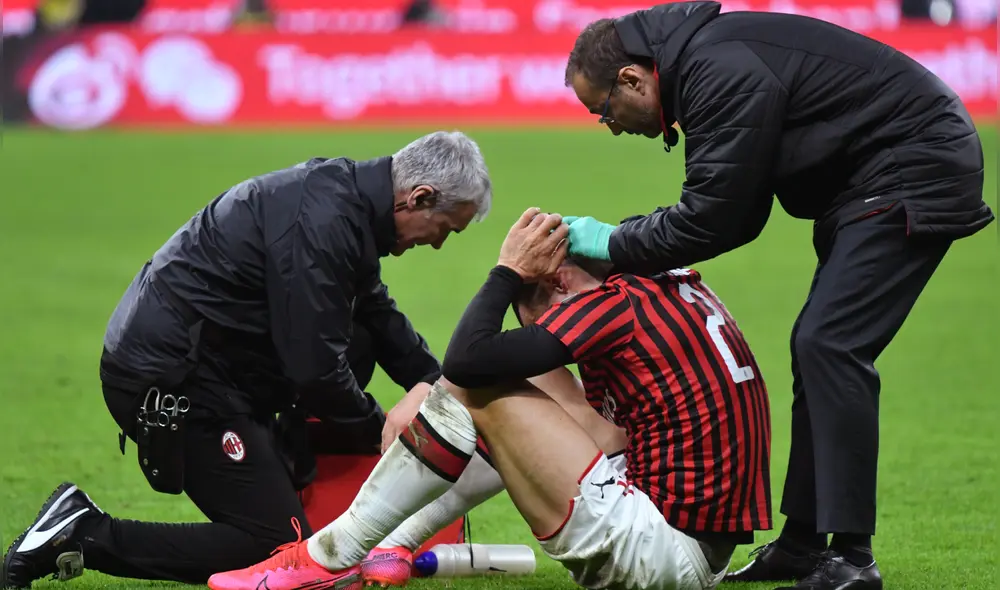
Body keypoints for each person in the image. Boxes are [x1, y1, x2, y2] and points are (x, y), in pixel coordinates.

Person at [557, 4, 994, 589]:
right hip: (876, 175)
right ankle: (803, 546)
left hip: (912, 166)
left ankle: (853, 558)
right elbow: (730, 207)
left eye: (604, 110)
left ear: (632, 79)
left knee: (829, 344)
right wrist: (625, 239)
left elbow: (717, 217)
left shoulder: (715, 69)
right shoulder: (705, 63)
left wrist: (613, 242)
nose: (610, 126)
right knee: (817, 346)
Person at [0, 131, 493, 589]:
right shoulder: (324, 223)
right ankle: (83, 533)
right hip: (173, 380)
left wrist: (438, 384)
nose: (437, 243)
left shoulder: (343, 202)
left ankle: (280, 466)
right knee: (274, 547)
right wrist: (387, 437)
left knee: (361, 333)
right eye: (445, 229)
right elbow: (315, 369)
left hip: (212, 365)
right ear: (419, 197)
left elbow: (376, 313)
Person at [206, 208, 772, 590]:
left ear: (559, 282)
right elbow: (609, 433)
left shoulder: (609, 309)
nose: (549, 339)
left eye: (539, 320)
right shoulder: (662, 281)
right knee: (526, 388)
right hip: (697, 548)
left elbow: (467, 363)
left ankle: (328, 555)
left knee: (480, 387)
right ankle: (392, 545)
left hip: (661, 552)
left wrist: (505, 273)